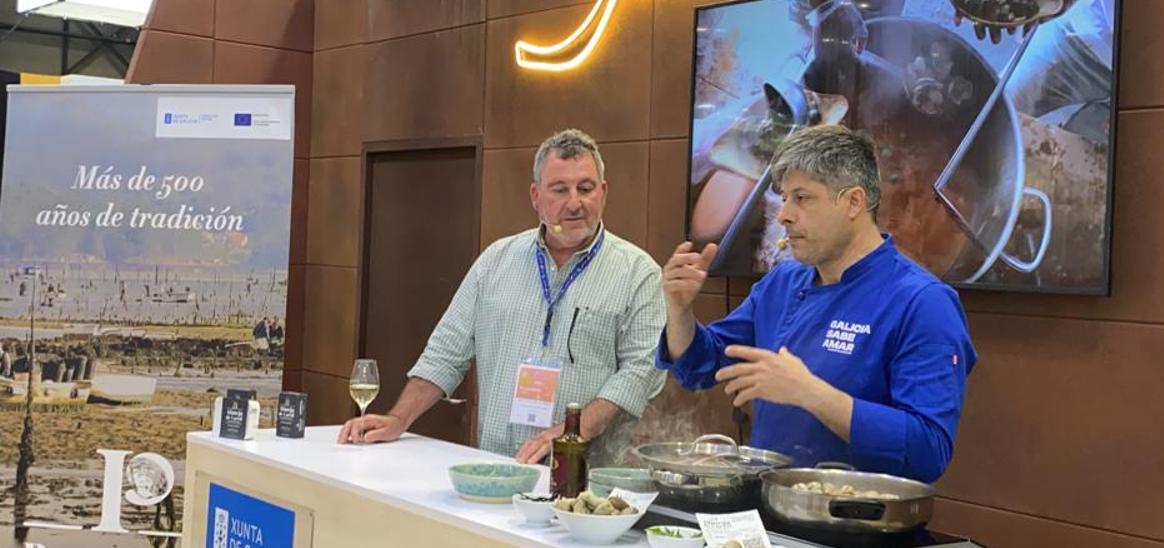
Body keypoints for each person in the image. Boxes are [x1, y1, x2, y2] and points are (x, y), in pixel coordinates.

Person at [658, 125, 977, 483]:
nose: (783, 215)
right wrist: (679, 310)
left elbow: (927, 450)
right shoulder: (781, 283)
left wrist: (810, 393)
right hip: (771, 512)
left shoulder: (923, 303)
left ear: (854, 202)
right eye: (783, 197)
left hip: (858, 524)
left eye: (802, 198)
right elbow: (701, 366)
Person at [338, 129, 667, 467]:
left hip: (584, 479)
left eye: (585, 188)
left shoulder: (638, 273)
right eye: (559, 190)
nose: (574, 203)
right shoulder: (496, 261)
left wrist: (571, 432)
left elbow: (641, 372)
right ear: (536, 196)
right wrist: (398, 419)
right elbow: (446, 351)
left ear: (603, 192)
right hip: (497, 468)